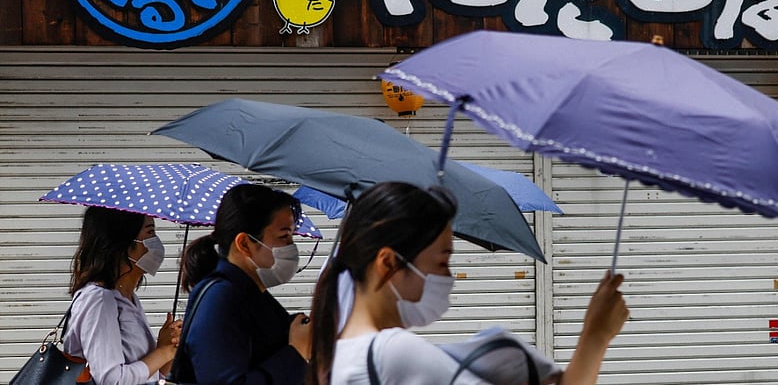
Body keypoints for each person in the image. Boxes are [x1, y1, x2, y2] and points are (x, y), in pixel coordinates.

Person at [308, 182, 629, 385]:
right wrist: (595, 335)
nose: (447, 278)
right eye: (442, 262)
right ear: (389, 263)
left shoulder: (339, 352)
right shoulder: (392, 352)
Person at [170, 183, 310, 384]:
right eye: (284, 236)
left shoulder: (251, 294)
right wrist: (295, 351)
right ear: (244, 243)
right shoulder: (220, 297)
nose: (291, 247)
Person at [64, 207, 182, 385]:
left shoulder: (128, 298)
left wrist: (168, 348)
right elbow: (111, 379)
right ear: (122, 241)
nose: (156, 242)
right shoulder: (99, 300)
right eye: (150, 232)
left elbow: (150, 376)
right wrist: (162, 353)